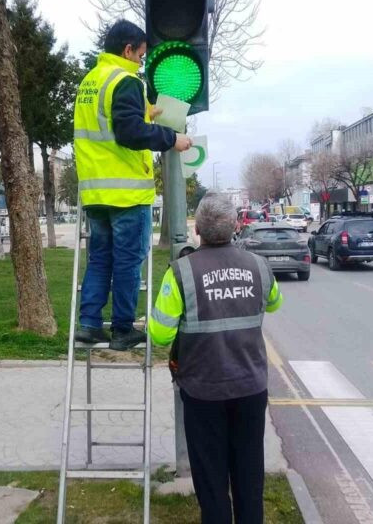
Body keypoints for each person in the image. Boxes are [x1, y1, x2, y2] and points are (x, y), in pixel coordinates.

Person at [149, 193, 283, 524]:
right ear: (236, 226)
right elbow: (274, 303)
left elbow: (160, 334)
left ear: (198, 231)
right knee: (249, 472)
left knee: (211, 479)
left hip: (203, 392)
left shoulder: (181, 272)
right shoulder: (259, 266)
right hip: (251, 388)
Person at [74, 19, 193, 351]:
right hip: (126, 193)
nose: (141, 62)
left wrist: (146, 114)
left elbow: (112, 126)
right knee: (127, 262)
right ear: (127, 50)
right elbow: (128, 133)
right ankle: (123, 330)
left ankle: (89, 326)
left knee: (99, 259)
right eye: (140, 55)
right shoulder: (125, 80)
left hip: (96, 193)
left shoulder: (92, 81)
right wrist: (172, 138)